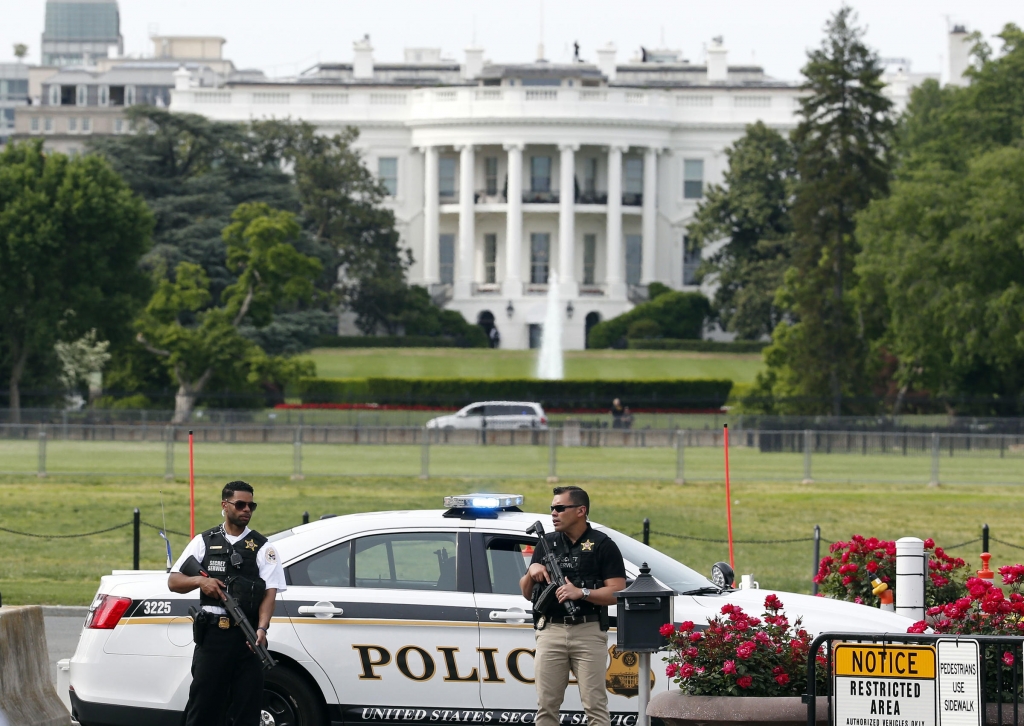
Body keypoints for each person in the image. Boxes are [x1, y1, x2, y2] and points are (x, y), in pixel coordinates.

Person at [168, 481, 286, 726]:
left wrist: (262, 629)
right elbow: (174, 581)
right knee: (204, 707)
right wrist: (201, 583)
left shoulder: (263, 547)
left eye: (251, 505)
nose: (247, 510)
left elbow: (270, 594)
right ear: (224, 505)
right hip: (212, 637)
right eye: (240, 504)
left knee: (247, 708)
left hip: (248, 639)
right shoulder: (204, 541)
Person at [520, 486, 626, 726]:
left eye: (559, 508)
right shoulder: (546, 542)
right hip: (551, 631)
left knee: (595, 706)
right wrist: (530, 571)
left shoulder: (602, 545)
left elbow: (618, 591)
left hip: (588, 631)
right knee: (546, 706)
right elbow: (527, 593)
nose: (554, 514)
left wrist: (582, 593)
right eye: (552, 509)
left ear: (581, 510)